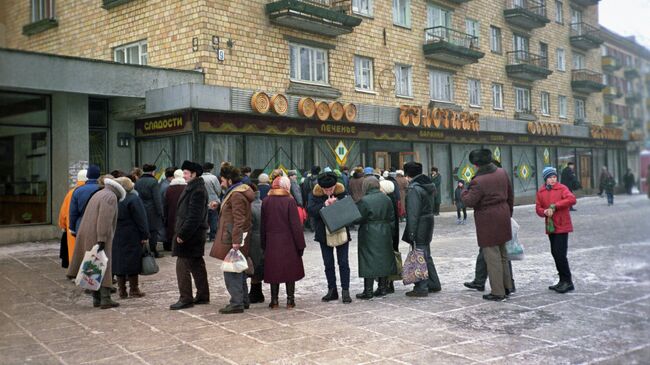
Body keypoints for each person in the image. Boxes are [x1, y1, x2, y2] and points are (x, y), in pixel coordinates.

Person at [461, 149, 514, 301]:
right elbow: (510, 195)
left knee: (492, 256)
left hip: (488, 219)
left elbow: (469, 201)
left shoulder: (478, 181)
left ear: (476, 164)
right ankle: (506, 286)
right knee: (503, 254)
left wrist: (464, 190)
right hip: (503, 215)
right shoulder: (502, 172)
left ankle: (498, 292)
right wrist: (508, 213)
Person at [68, 175, 126, 309]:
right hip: (97, 234)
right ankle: (105, 299)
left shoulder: (100, 193)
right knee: (104, 264)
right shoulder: (110, 197)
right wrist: (102, 238)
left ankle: (96, 298)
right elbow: (104, 219)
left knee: (93, 264)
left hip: (88, 232)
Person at [209, 164, 255, 314]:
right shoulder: (237, 192)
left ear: (229, 180)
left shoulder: (236, 195)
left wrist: (236, 241)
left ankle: (236, 303)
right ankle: (243, 300)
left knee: (232, 270)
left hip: (232, 238)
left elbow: (239, 219)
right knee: (239, 268)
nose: (221, 183)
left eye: (222, 180)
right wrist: (219, 206)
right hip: (235, 236)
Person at [170, 161, 210, 310]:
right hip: (194, 234)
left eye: (186, 173)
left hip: (191, 235)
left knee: (183, 265)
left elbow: (194, 216)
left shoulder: (197, 190)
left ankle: (186, 298)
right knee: (197, 264)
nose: (184, 175)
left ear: (194, 174)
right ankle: (203, 295)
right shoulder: (193, 188)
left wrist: (182, 234)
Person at [307, 171, 352, 304]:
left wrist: (337, 203)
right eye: (325, 189)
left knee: (343, 262)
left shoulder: (342, 192)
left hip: (342, 231)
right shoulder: (314, 194)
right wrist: (324, 205)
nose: (328, 191)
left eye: (331, 189)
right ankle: (332, 290)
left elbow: (350, 210)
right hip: (323, 234)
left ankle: (345, 290)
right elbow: (311, 210)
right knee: (328, 263)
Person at [261, 176, 306, 309]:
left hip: (271, 241)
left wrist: (263, 244)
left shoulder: (266, 200)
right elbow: (295, 225)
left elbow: (263, 225)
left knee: (273, 271)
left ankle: (274, 301)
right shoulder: (289, 200)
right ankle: (290, 301)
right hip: (288, 241)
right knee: (289, 271)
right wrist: (300, 244)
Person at [402, 162, 441, 297]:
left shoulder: (414, 188)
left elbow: (413, 213)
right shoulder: (427, 184)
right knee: (425, 254)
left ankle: (421, 286)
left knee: (419, 254)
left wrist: (411, 232)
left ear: (408, 174)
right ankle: (433, 283)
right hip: (428, 222)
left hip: (420, 224)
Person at [536, 166, 577, 294]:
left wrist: (555, 206)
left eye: (554, 177)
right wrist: (544, 211)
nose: (553, 180)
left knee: (560, 254)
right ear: (545, 179)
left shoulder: (562, 188)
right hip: (551, 226)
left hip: (562, 225)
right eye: (550, 177)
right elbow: (538, 208)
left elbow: (572, 199)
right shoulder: (541, 191)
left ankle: (568, 282)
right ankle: (562, 280)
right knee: (555, 253)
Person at [356, 177, 396, 299]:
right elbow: (392, 217)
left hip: (369, 232)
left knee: (368, 259)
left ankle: (368, 291)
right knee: (383, 259)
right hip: (384, 231)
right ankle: (382, 288)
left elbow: (358, 217)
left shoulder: (364, 200)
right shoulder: (387, 199)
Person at [112, 177, 149, 300]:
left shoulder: (115, 199)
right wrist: (145, 235)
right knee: (133, 261)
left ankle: (122, 290)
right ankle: (134, 289)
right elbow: (141, 218)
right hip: (132, 234)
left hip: (117, 233)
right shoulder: (133, 199)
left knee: (119, 261)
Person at [66, 165, 102, 278]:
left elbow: (73, 212)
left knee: (83, 250)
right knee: (98, 250)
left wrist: (72, 227)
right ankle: (95, 276)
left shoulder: (78, 191)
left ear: (87, 176)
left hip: (81, 223)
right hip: (97, 221)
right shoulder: (102, 189)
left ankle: (84, 275)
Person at [134, 164, 164, 258]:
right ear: (153, 172)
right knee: (153, 231)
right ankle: (152, 250)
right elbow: (157, 199)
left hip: (140, 208)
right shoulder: (154, 182)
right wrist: (160, 212)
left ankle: (142, 250)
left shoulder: (138, 181)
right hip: (152, 210)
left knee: (142, 229)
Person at [59, 169, 87, 268]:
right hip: (87, 226)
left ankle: (73, 270)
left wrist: (63, 225)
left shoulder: (71, 193)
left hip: (72, 227)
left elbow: (63, 213)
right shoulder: (93, 191)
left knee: (73, 250)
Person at [247, 183, 265, 304]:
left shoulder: (249, 207)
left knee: (251, 267)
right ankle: (257, 292)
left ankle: (255, 294)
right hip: (262, 239)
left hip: (253, 240)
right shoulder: (263, 203)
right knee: (258, 266)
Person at [164, 170, 186, 247]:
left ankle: (172, 244)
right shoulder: (186, 187)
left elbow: (166, 202)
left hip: (171, 211)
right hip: (183, 212)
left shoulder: (169, 188)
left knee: (172, 227)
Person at [202, 162, 222, 242]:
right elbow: (218, 190)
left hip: (203, 201)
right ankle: (213, 236)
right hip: (213, 200)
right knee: (213, 218)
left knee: (204, 218)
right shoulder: (213, 178)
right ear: (211, 169)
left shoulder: (200, 177)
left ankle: (204, 234)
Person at [159, 167, 176, 251]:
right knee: (167, 229)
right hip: (165, 210)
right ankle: (168, 245)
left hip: (163, 209)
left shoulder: (163, 183)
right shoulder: (167, 186)